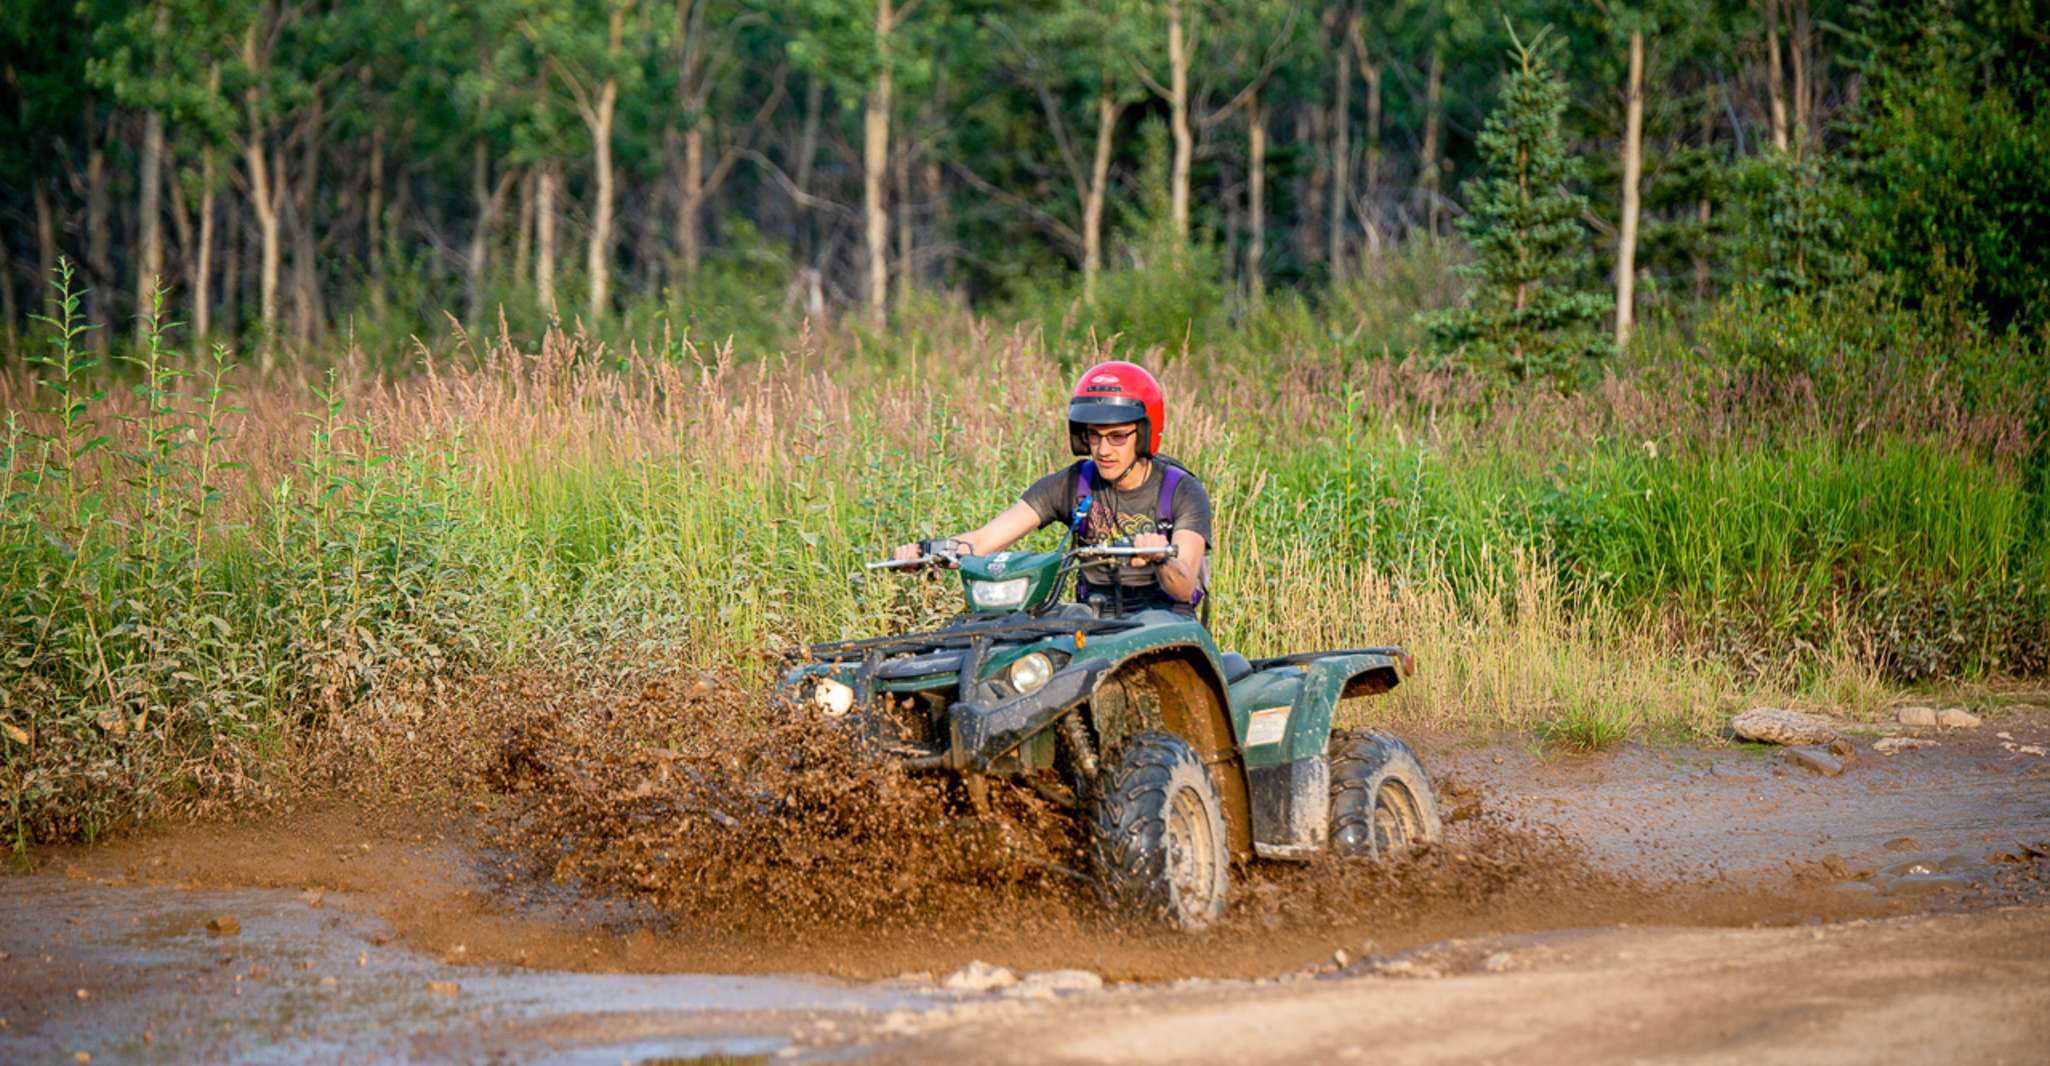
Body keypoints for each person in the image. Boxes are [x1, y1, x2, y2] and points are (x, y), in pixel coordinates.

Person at [893, 360, 1212, 617]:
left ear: (1143, 435)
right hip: (1094, 617)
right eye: (1094, 436)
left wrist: (1161, 557)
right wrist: (926, 552)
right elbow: (984, 540)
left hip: (1163, 619)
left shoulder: (1180, 489)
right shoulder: (1075, 483)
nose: (1103, 450)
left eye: (1117, 436)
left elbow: (1184, 586)